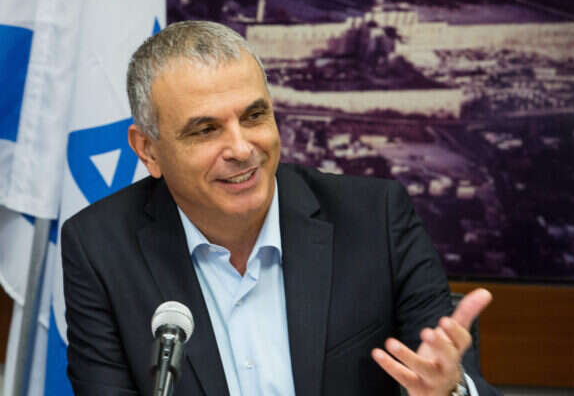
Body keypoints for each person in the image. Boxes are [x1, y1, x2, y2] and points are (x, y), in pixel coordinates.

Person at [61, 20, 500, 395]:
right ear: (148, 150)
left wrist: (450, 390)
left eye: (254, 117)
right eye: (206, 130)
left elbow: (442, 372)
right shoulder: (100, 247)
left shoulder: (375, 218)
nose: (241, 148)